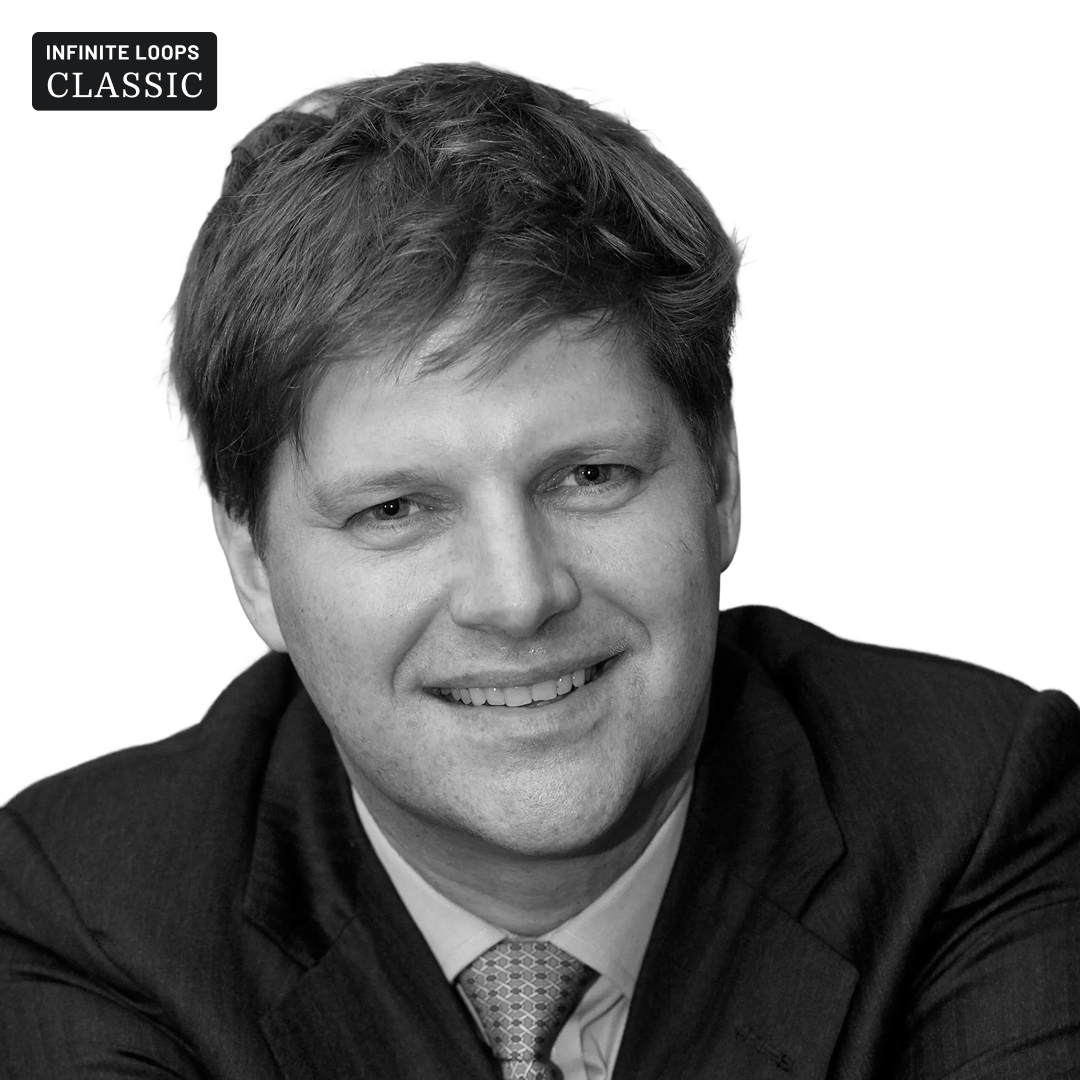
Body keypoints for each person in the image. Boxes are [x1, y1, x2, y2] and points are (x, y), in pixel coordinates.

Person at [1, 62, 1078, 1080]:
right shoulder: (87, 912)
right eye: (394, 510)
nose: (518, 599)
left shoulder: (980, 815)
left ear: (720, 481)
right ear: (251, 564)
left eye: (590, 476)